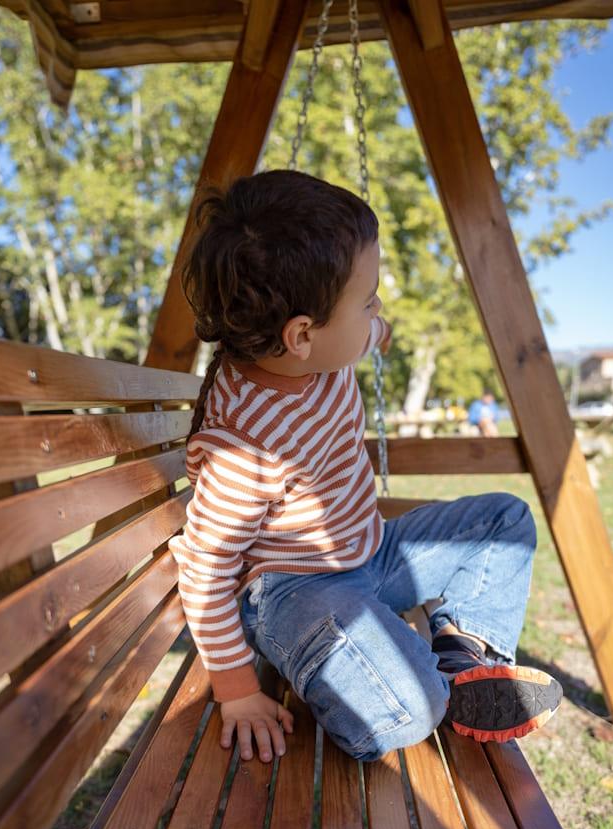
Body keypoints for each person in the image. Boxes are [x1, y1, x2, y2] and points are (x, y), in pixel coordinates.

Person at [168, 170, 562, 765]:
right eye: (369, 297)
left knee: (504, 523)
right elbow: (204, 569)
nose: (378, 309)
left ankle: (462, 656)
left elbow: (363, 331)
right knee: (415, 707)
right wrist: (237, 691)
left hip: (371, 550)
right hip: (293, 591)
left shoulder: (315, 346)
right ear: (300, 334)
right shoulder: (245, 447)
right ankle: (412, 684)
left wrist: (374, 327)